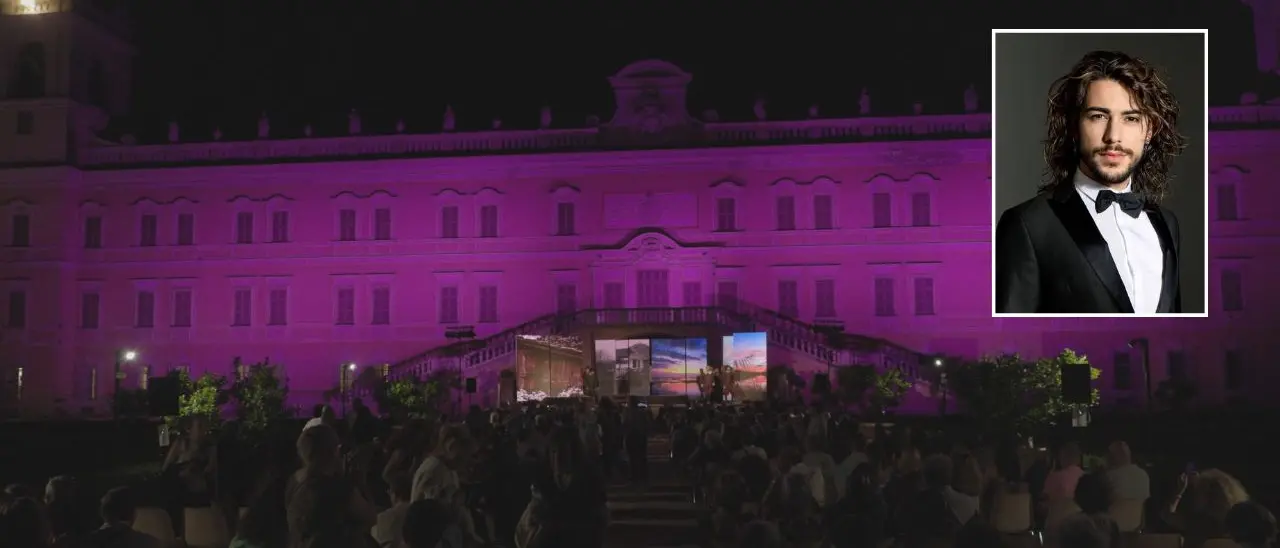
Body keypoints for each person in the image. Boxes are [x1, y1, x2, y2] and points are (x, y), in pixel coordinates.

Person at [995, 50, 1188, 314]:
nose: (1114, 136)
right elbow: (1013, 338)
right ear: (1074, 125)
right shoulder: (1027, 224)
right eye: (1098, 116)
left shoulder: (1166, 224)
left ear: (1149, 130)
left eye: (1131, 118)